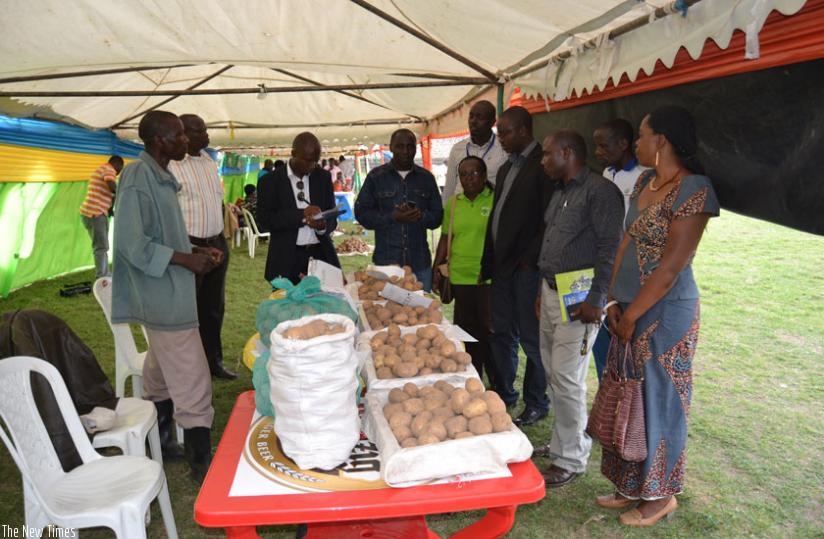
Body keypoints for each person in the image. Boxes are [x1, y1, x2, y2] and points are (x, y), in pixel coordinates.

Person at [598, 106, 719, 526]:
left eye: (642, 135)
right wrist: (613, 300)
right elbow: (624, 242)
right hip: (628, 308)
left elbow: (670, 269)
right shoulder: (647, 181)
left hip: (665, 314)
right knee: (629, 397)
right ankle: (629, 484)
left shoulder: (695, 190)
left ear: (661, 140)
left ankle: (660, 494)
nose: (636, 143)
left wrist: (632, 314)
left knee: (661, 401)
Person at [111, 110, 221, 483]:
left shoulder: (161, 175)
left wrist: (195, 250)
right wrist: (185, 259)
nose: (185, 141)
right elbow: (131, 243)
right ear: (159, 141)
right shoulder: (137, 177)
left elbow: (163, 236)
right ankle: (200, 460)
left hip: (167, 288)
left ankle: (159, 439)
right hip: (162, 294)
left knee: (159, 371)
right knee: (192, 375)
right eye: (178, 136)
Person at [533, 129, 624, 488]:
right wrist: (542, 288)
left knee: (567, 379)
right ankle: (563, 444)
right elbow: (553, 242)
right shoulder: (561, 192)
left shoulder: (601, 193)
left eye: (546, 154)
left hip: (580, 300)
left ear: (567, 153)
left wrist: (597, 299)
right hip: (551, 290)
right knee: (554, 374)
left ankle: (571, 458)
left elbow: (610, 249)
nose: (542, 161)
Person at [479, 106, 551, 426]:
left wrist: (529, 260)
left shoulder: (544, 166)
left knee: (533, 339)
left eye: (505, 132)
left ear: (523, 130)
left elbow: (549, 221)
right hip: (502, 267)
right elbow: (498, 217)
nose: (500, 138)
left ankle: (537, 400)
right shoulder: (507, 168)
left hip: (527, 269)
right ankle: (504, 394)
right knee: (502, 332)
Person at [168, 114, 236, 381]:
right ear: (183, 134)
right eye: (200, 131)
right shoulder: (172, 167)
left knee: (213, 307)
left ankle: (212, 362)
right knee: (188, 312)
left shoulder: (209, 161)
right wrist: (189, 250)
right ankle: (188, 369)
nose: (207, 135)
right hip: (190, 248)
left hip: (216, 244)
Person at [591, 119, 649, 382]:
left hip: (628, 269)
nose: (597, 153)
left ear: (624, 144)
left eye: (604, 146)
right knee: (600, 336)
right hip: (603, 264)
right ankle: (606, 389)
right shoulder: (606, 174)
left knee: (624, 337)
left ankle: (623, 395)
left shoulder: (643, 176)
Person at [432, 156, 496, 383]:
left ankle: (496, 379)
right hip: (459, 276)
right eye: (464, 175)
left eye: (474, 173)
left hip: (485, 277)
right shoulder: (453, 203)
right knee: (465, 330)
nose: (469, 179)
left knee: (488, 330)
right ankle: (473, 374)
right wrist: (436, 267)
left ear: (485, 175)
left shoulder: (495, 199)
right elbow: (446, 237)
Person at [355, 128, 443, 291]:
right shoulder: (376, 177)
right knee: (387, 313)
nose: (405, 151)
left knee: (422, 312)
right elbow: (362, 214)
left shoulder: (426, 178)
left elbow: (437, 217)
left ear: (415, 148)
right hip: (386, 264)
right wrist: (392, 217)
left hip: (419, 264)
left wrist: (420, 216)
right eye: (400, 146)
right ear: (391, 147)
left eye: (410, 146)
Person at [257, 132, 341, 284]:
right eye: (308, 160)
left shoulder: (323, 177)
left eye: (316, 161)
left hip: (320, 256)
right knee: (287, 307)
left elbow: (332, 217)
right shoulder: (269, 181)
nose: (312, 166)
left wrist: (323, 226)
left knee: (323, 306)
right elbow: (264, 221)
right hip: (286, 259)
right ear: (293, 154)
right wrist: (301, 216)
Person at [442, 100, 508, 205]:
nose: (473, 121)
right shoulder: (457, 149)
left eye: (479, 117)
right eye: (471, 116)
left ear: (492, 122)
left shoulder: (504, 149)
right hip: (460, 210)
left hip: (488, 212)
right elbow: (449, 187)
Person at [79, 155, 123, 278]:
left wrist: (110, 209)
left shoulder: (102, 169)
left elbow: (111, 194)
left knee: (102, 245)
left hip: (95, 212)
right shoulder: (109, 169)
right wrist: (124, 193)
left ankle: (105, 273)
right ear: (118, 164)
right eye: (120, 169)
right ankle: (102, 276)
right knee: (101, 246)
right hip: (95, 213)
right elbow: (111, 185)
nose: (119, 172)